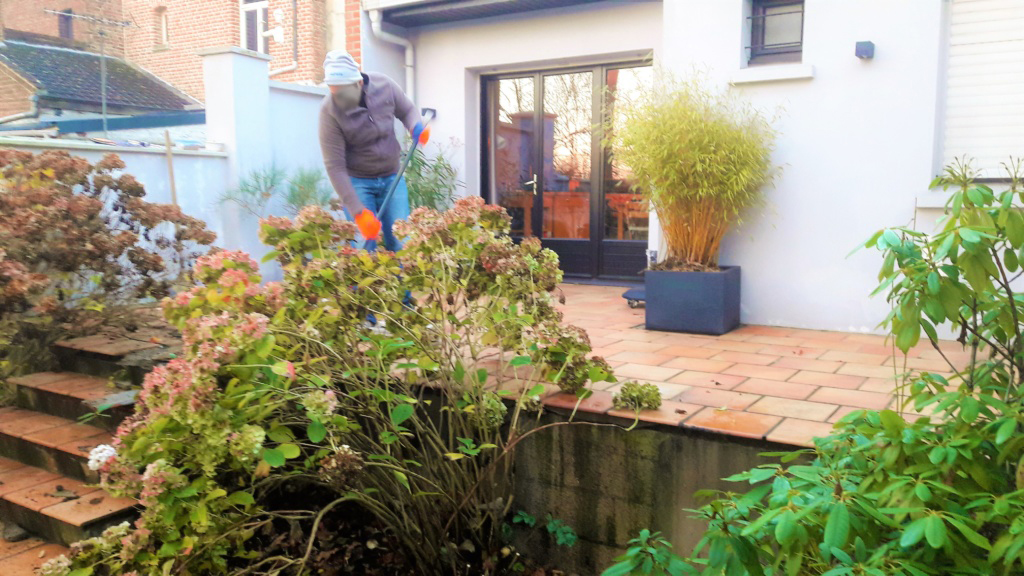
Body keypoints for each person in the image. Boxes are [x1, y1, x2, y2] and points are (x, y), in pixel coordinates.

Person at [319, 50, 428, 252]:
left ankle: (402, 284)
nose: (340, 97)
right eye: (334, 91)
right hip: (358, 182)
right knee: (363, 245)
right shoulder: (329, 112)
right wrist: (358, 212)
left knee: (401, 240)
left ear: (358, 82)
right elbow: (335, 166)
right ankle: (365, 284)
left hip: (392, 178)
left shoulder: (384, 86)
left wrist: (415, 126)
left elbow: (407, 110)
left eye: (343, 91)